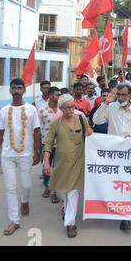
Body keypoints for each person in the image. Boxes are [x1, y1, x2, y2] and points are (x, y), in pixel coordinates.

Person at [93, 83, 131, 231]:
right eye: (118, 95)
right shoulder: (111, 107)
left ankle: (126, 217)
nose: (120, 98)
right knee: (118, 183)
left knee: (130, 183)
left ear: (130, 95)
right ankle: (120, 213)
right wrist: (106, 102)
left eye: (123, 95)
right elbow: (97, 120)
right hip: (116, 153)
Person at [0, 78, 41, 236]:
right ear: (10, 90)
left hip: (25, 154)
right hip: (7, 155)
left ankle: (25, 201)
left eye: (20, 88)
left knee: (26, 185)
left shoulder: (31, 109)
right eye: (14, 88)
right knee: (10, 188)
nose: (17, 91)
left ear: (24, 91)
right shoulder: (4, 110)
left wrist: (37, 151)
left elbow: (37, 131)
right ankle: (14, 220)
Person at [43, 94, 93, 238]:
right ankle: (66, 208)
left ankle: (70, 223)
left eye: (73, 106)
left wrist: (89, 132)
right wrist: (46, 162)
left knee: (72, 191)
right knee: (64, 190)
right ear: (61, 108)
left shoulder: (80, 118)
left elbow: (89, 132)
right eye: (68, 107)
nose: (71, 110)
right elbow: (48, 144)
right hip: (61, 163)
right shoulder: (56, 124)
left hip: (78, 161)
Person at [38, 86, 62, 203]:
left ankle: (54, 192)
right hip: (46, 144)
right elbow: (37, 129)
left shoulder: (62, 111)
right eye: (57, 95)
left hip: (60, 144)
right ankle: (47, 186)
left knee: (57, 168)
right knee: (46, 167)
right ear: (51, 95)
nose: (59, 97)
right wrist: (37, 147)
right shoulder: (42, 111)